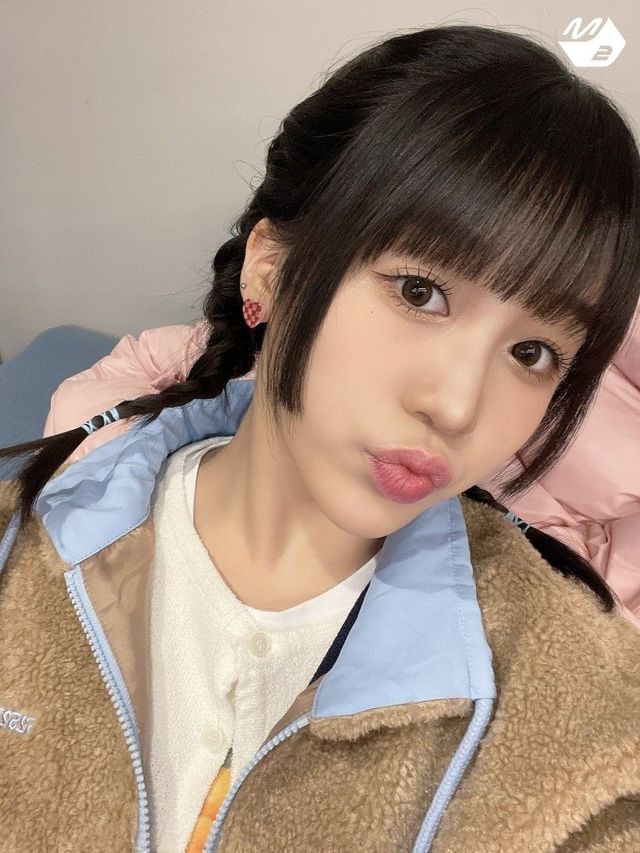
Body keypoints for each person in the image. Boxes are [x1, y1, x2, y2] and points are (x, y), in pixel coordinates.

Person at [1, 23, 640, 852]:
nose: (457, 406)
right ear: (269, 267)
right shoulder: (24, 558)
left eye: (532, 353)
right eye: (420, 291)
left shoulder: (585, 717)